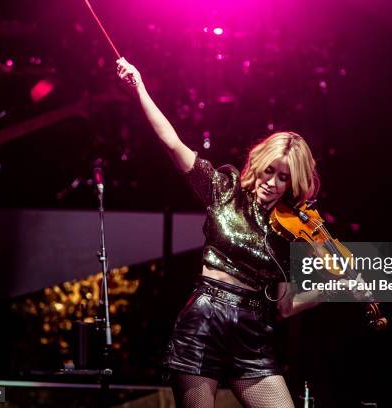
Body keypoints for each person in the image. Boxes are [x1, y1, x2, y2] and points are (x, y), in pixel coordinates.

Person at [116, 57, 365, 407]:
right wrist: (139, 87)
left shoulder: (290, 230)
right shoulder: (225, 189)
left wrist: (337, 288)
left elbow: (289, 305)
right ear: (259, 163)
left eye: (284, 178)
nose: (273, 183)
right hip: (204, 320)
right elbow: (173, 144)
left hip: (253, 334)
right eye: (270, 171)